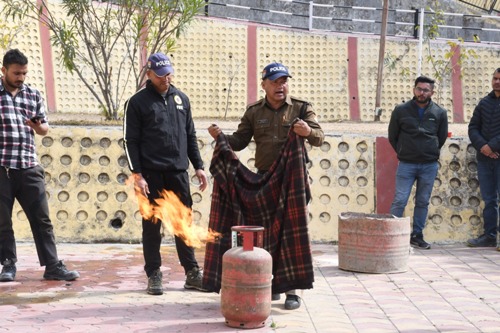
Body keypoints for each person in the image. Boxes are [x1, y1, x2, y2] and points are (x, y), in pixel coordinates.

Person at [207, 62, 324, 310]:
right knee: (264, 234)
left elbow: (319, 137)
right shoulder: (253, 112)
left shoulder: (301, 108)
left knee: (292, 233)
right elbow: (238, 141)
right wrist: (220, 137)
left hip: (293, 181)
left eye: (284, 81)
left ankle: (292, 291)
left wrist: (306, 131)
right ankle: (268, 284)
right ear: (264, 85)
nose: (280, 86)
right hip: (264, 180)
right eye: (275, 81)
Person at [123, 52, 209, 295]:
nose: (166, 79)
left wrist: (199, 166)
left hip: (178, 174)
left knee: (184, 224)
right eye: (160, 75)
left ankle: (192, 273)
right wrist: (137, 175)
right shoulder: (137, 102)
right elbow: (130, 141)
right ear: (149, 74)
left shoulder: (181, 99)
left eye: (168, 73)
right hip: (150, 177)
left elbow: (190, 135)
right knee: (152, 226)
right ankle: (154, 274)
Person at [0, 49, 80, 282]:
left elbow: (45, 128)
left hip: (28, 167)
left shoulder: (32, 94)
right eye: (16, 73)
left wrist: (37, 127)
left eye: (24, 73)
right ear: (4, 70)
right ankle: (8, 265)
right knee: (3, 221)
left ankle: (52, 266)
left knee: (42, 219)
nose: (21, 78)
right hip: (2, 167)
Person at [388, 75, 448, 250]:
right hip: (406, 164)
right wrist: (403, 151)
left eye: (426, 90)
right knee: (400, 200)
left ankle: (417, 235)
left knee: (422, 201)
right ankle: (392, 234)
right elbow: (393, 136)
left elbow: (441, 137)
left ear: (432, 92)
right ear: (414, 89)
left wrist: (430, 151)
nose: (422, 93)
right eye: (419, 89)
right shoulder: (400, 110)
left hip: (429, 165)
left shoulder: (440, 112)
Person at [467, 68, 500, 249]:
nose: (497, 82)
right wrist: (484, 147)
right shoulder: (484, 103)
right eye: (495, 78)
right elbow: (473, 128)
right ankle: (489, 236)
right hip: (485, 159)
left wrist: (492, 146)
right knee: (489, 200)